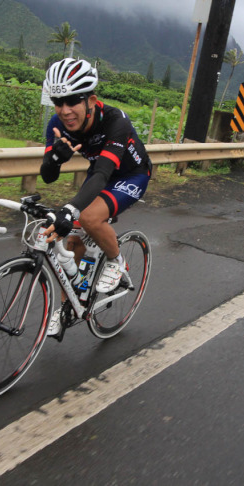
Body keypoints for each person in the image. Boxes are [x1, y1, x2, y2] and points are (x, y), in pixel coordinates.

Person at [40, 57, 152, 336]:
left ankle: (116, 261)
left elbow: (103, 175)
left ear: (91, 100)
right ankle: (68, 306)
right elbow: (47, 175)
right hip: (100, 171)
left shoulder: (116, 121)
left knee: (88, 217)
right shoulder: (58, 123)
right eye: (58, 101)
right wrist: (56, 157)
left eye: (73, 101)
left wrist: (70, 209)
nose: (65, 111)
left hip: (130, 175)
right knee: (73, 239)